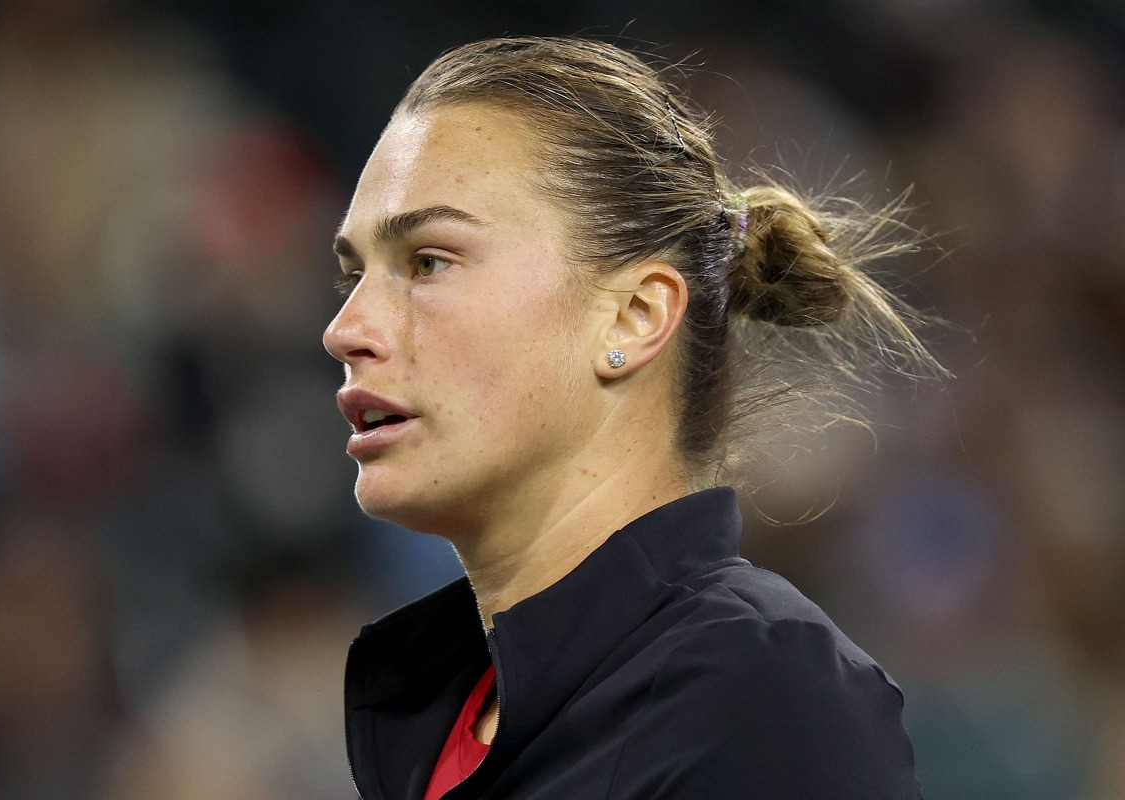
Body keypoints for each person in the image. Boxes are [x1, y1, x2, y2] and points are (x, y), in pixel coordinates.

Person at [324, 36, 927, 799]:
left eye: (429, 261)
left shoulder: (763, 700)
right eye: (353, 273)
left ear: (635, 317)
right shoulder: (445, 709)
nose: (347, 328)